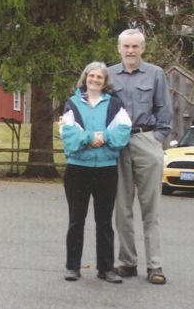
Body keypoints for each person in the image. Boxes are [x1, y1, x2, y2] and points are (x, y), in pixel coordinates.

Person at [107, 28, 172, 285]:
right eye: (126, 47)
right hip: (118, 145)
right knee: (122, 209)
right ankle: (127, 262)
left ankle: (155, 266)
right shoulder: (109, 74)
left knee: (150, 209)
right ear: (119, 48)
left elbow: (164, 110)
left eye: (135, 46)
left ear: (142, 49)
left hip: (147, 140)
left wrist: (156, 140)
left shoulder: (156, 74)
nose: (131, 51)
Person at [60, 62, 131, 283]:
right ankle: (72, 267)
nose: (95, 80)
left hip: (106, 170)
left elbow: (122, 132)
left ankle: (106, 269)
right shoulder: (72, 104)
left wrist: (103, 138)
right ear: (85, 78)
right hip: (78, 169)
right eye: (91, 76)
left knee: (104, 222)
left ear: (105, 81)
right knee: (76, 220)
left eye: (99, 77)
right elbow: (69, 136)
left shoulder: (115, 105)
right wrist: (94, 138)